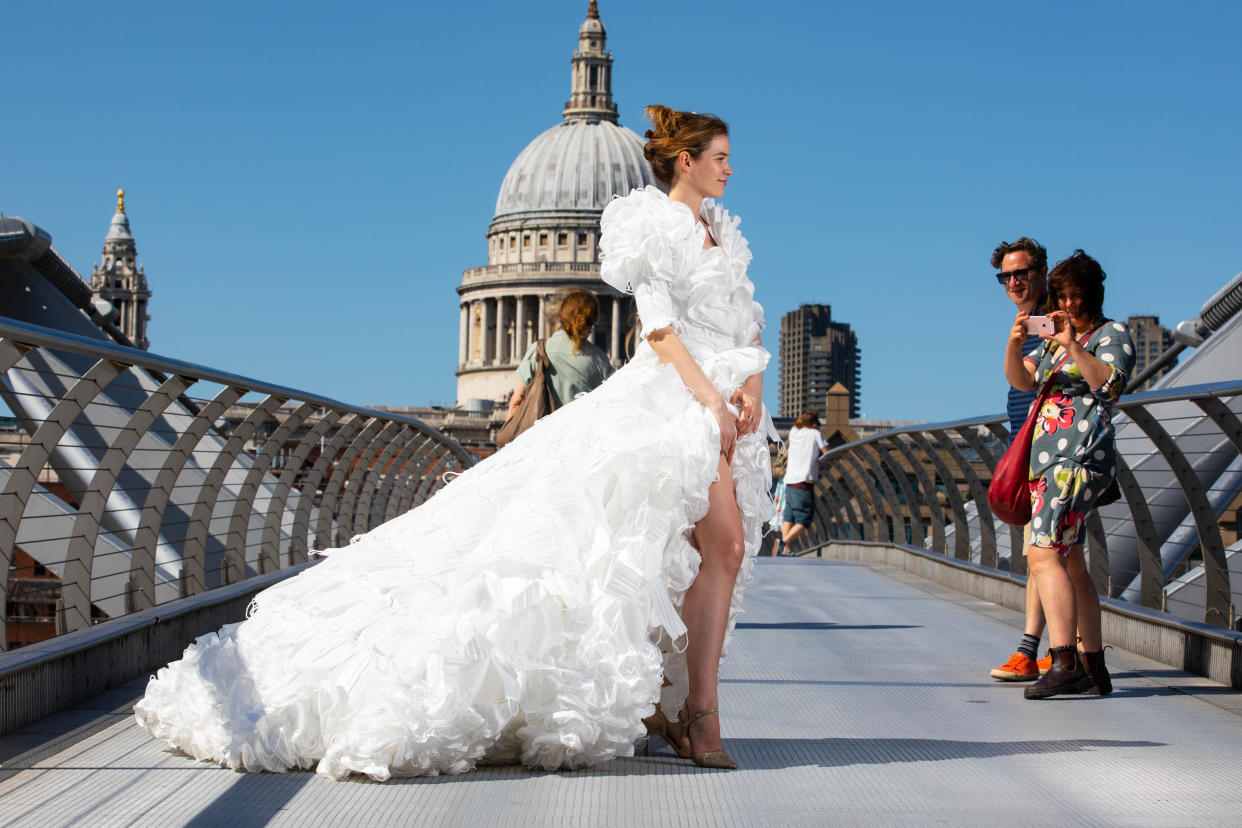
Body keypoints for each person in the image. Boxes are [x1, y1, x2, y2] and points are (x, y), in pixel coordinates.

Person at [134, 104, 776, 779]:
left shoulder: (721, 230)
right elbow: (658, 328)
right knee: (692, 550)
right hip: (673, 404)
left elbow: (748, 322)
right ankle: (691, 711)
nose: (731, 168)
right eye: (721, 156)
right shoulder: (650, 226)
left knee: (679, 555)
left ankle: (673, 705)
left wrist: (750, 389)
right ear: (686, 160)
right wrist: (710, 397)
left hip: (723, 403)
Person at [1003, 250, 1135, 699]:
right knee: (1073, 563)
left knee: (1043, 556)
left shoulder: (1111, 334)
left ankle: (1063, 661)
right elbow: (1022, 382)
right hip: (1048, 464)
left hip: (1076, 462)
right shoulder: (1054, 340)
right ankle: (1095, 668)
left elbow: (1108, 384)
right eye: (1063, 297)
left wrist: (1072, 343)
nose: (1071, 305)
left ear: (1094, 296)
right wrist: (1015, 340)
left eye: (1078, 297)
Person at [988, 238, 1054, 682]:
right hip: (1029, 447)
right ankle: (1078, 649)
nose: (1014, 281)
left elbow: (1026, 382)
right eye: (1006, 276)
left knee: (1041, 555)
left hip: (1047, 452)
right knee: (1057, 557)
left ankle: (1030, 650)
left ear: (1041, 271)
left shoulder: (1048, 321)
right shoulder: (1027, 321)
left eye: (1022, 273)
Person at [507, 288, 612, 417]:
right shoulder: (599, 359)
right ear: (589, 325)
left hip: (540, 433)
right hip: (581, 433)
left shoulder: (538, 349)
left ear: (562, 316)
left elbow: (516, 401)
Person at [775, 410, 827, 556]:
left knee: (789, 517)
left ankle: (786, 550)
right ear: (815, 424)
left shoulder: (794, 432)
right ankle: (784, 542)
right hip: (804, 484)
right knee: (805, 519)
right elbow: (826, 451)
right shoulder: (815, 433)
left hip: (789, 483)